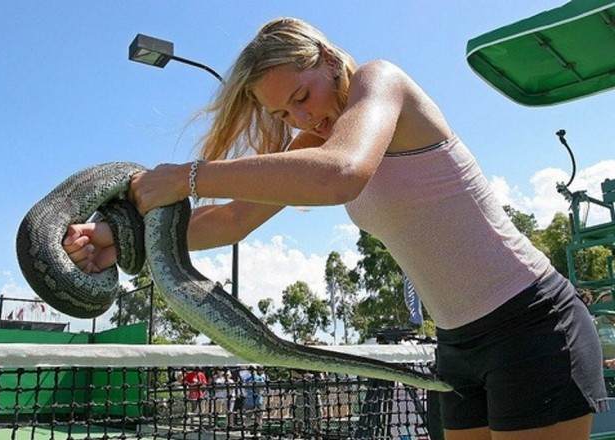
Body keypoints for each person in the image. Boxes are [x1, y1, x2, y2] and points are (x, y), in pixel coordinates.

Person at [63, 17, 607, 439]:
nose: (299, 121)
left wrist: (189, 177)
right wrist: (120, 241)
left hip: (531, 323)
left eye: (300, 97)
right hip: (458, 346)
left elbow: (342, 175)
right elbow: (230, 220)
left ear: (325, 59)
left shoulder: (381, 80)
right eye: (282, 115)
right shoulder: (312, 145)